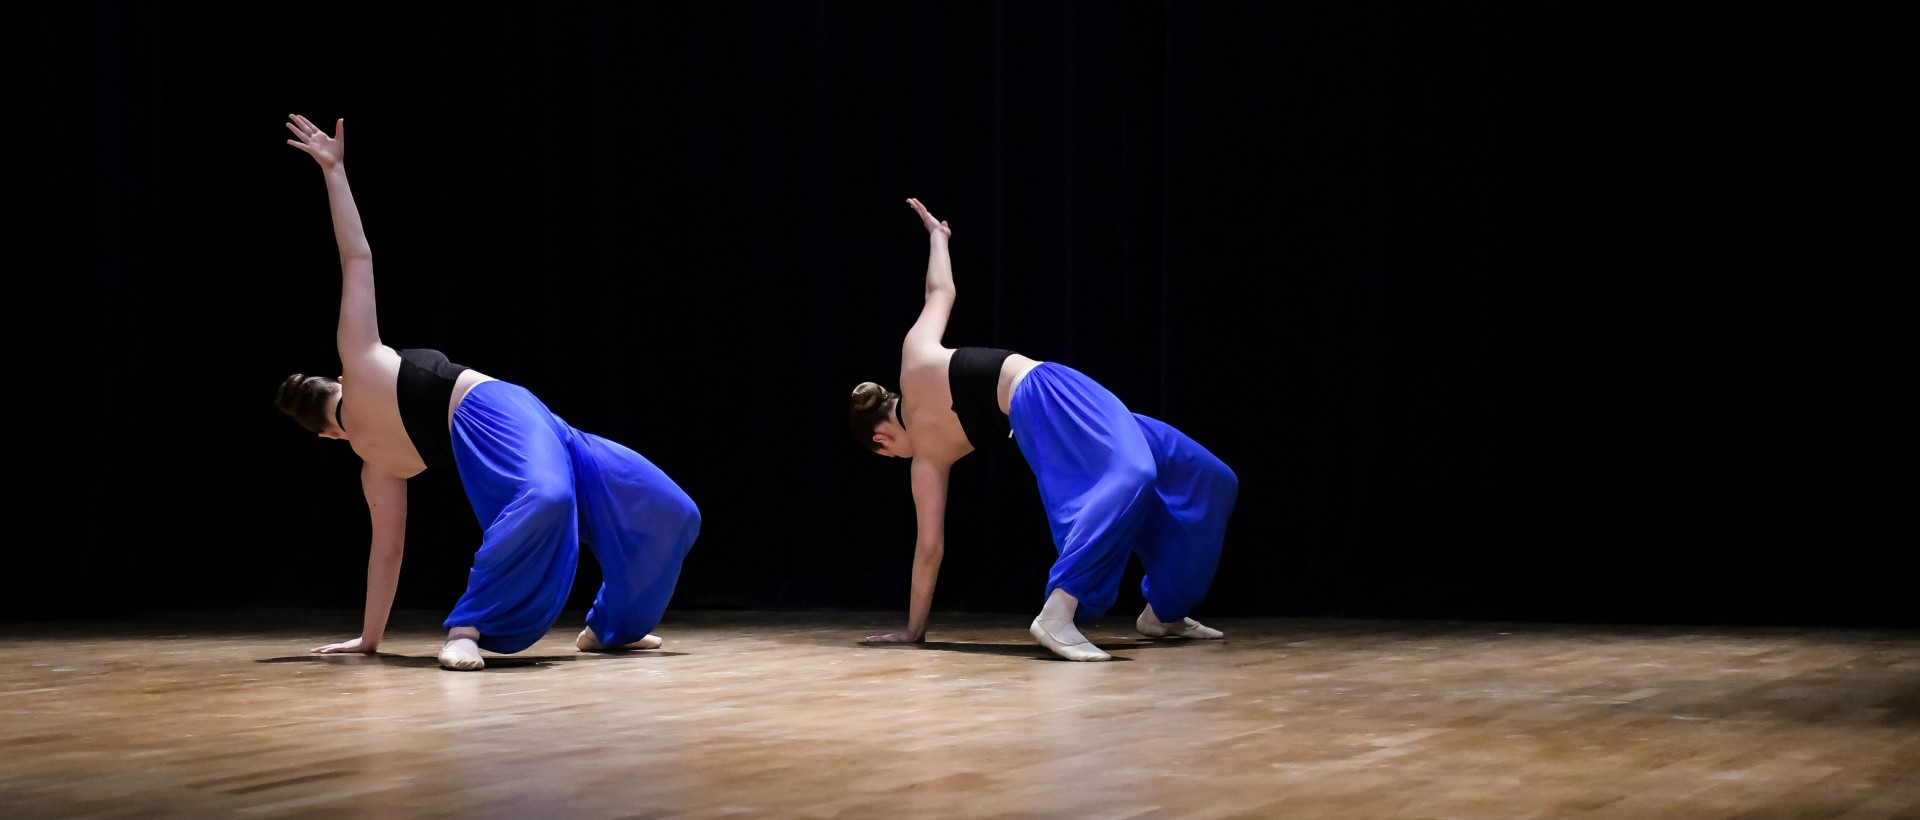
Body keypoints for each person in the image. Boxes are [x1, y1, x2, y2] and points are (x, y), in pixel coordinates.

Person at [273, 113, 701, 671]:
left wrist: (369, 639)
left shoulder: (374, 455)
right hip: (502, 423)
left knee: (671, 509)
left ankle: (609, 628)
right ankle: (468, 626)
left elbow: (387, 556)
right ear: (331, 392)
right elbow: (357, 256)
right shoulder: (363, 386)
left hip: (527, 420)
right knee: (548, 498)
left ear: (324, 434)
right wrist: (333, 169)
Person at [850, 198, 1238, 661]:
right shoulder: (929, 461)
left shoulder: (916, 367)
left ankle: (1163, 612)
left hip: (1048, 392)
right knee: (1134, 474)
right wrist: (939, 237)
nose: (898, 459)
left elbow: (940, 293)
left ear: (880, 440)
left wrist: (938, 237)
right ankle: (1059, 611)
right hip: (1045, 408)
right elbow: (941, 291)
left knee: (1208, 477)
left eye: (887, 456)